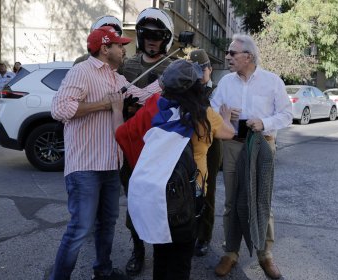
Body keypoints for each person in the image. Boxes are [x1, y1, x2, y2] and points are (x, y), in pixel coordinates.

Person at [49, 26, 161, 280]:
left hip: (111, 164)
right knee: (80, 228)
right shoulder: (82, 71)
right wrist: (105, 104)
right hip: (85, 167)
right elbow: (60, 109)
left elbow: (141, 96)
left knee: (107, 224)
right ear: (104, 48)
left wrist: (163, 82)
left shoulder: (116, 77)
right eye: (119, 45)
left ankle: (103, 270)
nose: (124, 50)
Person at [115, 59, 235, 280]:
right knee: (181, 263)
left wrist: (116, 110)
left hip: (159, 193)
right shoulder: (204, 114)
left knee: (161, 255)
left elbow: (122, 134)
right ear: (196, 86)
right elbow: (228, 133)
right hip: (191, 192)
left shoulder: (153, 106)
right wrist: (226, 117)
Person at [211, 34, 292, 279]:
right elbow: (212, 108)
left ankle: (265, 254)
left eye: (232, 53)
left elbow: (287, 114)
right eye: (228, 53)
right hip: (233, 145)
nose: (227, 57)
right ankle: (231, 252)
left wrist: (264, 122)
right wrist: (224, 117)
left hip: (262, 146)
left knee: (261, 200)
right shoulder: (225, 82)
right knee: (231, 202)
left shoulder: (272, 81)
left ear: (248, 56)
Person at [119, 7, 174, 276]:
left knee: (164, 200)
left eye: (158, 35)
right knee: (135, 200)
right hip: (133, 145)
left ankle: (164, 251)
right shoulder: (126, 66)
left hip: (163, 146)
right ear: (140, 36)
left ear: (166, 38)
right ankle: (138, 250)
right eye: (147, 34)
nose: (152, 39)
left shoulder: (173, 67)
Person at [189, 49, 222, 256]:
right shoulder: (188, 89)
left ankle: (204, 236)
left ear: (210, 69)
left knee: (208, 190)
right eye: (195, 70)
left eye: (203, 69)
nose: (200, 74)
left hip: (213, 142)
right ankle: (190, 231)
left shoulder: (217, 91)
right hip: (192, 142)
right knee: (190, 189)